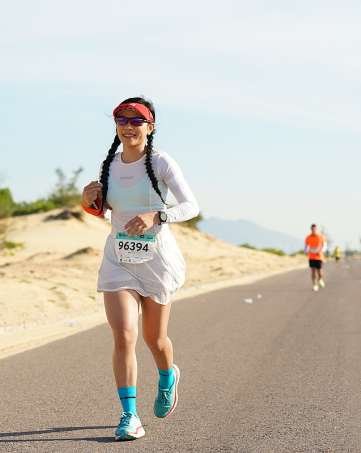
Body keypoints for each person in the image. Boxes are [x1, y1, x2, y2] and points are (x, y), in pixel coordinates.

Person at [81, 97, 199, 441]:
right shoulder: (110, 166)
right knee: (124, 335)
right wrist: (90, 204)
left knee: (155, 339)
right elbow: (109, 214)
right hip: (118, 259)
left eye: (136, 121)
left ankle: (167, 376)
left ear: (150, 127)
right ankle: (129, 416)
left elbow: (191, 206)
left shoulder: (161, 162)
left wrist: (158, 215)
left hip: (157, 260)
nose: (128, 127)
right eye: (122, 120)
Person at [304, 224, 327, 291]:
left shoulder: (321, 236)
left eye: (315, 228)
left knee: (320, 272)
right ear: (311, 229)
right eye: (312, 228)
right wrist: (306, 252)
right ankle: (315, 284)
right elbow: (305, 246)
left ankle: (320, 279)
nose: (314, 229)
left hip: (319, 256)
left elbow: (324, 245)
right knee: (313, 271)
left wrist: (321, 251)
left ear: (316, 228)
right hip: (311, 256)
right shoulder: (308, 237)